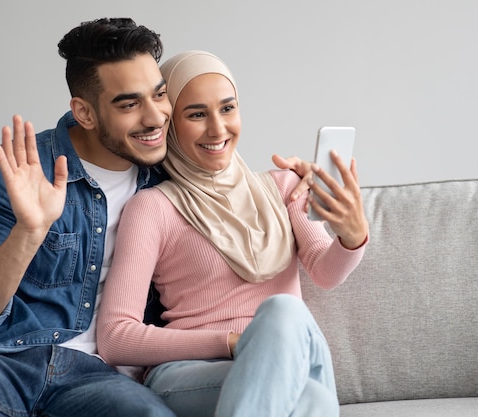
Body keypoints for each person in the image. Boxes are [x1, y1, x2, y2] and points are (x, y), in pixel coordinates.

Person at [0, 20, 311, 417]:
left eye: (159, 95)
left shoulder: (168, 180)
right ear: (85, 112)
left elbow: (230, 175)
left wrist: (295, 181)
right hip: (2, 359)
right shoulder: (16, 171)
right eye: (129, 104)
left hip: (101, 378)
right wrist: (29, 232)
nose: (155, 117)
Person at [96, 50, 369, 417]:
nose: (217, 128)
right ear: (169, 124)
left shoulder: (285, 186)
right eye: (196, 114)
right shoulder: (153, 208)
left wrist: (352, 235)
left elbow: (326, 272)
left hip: (294, 353)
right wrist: (233, 343)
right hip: (191, 373)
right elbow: (116, 338)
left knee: (285, 313)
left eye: (227, 109)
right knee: (312, 398)